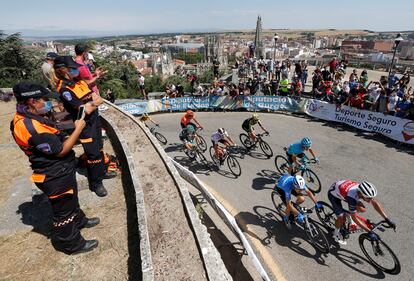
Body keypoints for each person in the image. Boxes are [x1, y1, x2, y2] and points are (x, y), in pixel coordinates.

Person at [10, 82, 100, 254]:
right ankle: (72, 244)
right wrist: (78, 129)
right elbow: (61, 150)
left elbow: (53, 130)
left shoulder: (27, 117)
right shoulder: (31, 128)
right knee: (63, 212)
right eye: (44, 99)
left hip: (62, 170)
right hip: (53, 174)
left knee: (71, 199)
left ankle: (80, 221)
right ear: (32, 102)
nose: (48, 103)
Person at [54, 56, 113, 197]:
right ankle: (96, 183)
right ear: (63, 70)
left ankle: (102, 172)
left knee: (99, 147)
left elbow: (95, 99)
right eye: (72, 68)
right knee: (92, 154)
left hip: (95, 120)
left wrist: (93, 103)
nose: (76, 70)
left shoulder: (79, 82)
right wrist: (94, 103)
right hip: (85, 125)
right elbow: (84, 109)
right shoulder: (64, 89)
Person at [328, 180, 396, 245]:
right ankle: (336, 233)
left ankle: (350, 212)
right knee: (341, 218)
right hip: (334, 195)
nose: (370, 199)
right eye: (369, 198)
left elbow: (375, 203)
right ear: (361, 194)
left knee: (362, 209)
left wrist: (387, 219)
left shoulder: (362, 190)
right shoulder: (351, 197)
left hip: (342, 189)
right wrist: (369, 232)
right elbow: (354, 218)